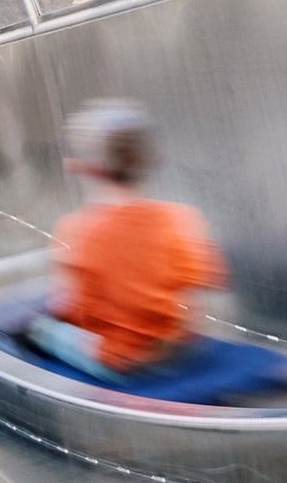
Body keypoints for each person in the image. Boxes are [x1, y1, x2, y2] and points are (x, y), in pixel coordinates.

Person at [24, 99, 228, 381]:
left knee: (39, 329)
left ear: (84, 166)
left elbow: (68, 307)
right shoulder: (178, 218)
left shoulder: (77, 231)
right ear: (147, 160)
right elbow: (198, 289)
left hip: (120, 364)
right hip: (176, 352)